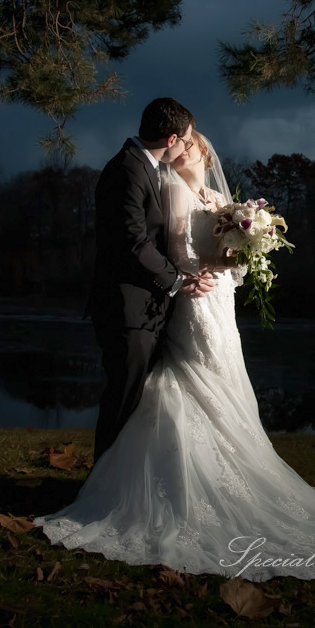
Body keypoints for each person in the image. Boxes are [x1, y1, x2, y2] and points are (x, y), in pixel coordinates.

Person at [35, 130, 315, 582]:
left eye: (190, 144)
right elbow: (178, 248)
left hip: (218, 297)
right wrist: (200, 272)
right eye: (179, 144)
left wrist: (249, 247)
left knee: (224, 373)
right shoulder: (171, 188)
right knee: (183, 378)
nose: (183, 150)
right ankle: (155, 483)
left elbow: (231, 256)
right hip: (193, 295)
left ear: (204, 151)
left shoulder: (213, 193)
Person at [85, 97, 215, 465]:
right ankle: (101, 490)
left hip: (145, 308)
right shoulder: (127, 169)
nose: (189, 146)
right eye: (187, 140)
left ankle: (117, 484)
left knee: (135, 403)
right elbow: (133, 241)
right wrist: (178, 281)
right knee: (123, 401)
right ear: (172, 138)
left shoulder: (145, 167)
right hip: (125, 306)